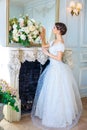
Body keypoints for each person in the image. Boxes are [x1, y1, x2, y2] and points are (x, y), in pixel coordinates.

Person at [31, 22, 82, 130]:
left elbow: (58, 58)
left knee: (58, 93)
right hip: (52, 69)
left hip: (58, 69)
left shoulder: (61, 43)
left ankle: (59, 117)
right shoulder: (54, 41)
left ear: (59, 30)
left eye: (54, 27)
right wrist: (43, 36)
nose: (53, 28)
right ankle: (49, 114)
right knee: (50, 92)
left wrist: (47, 54)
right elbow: (44, 46)